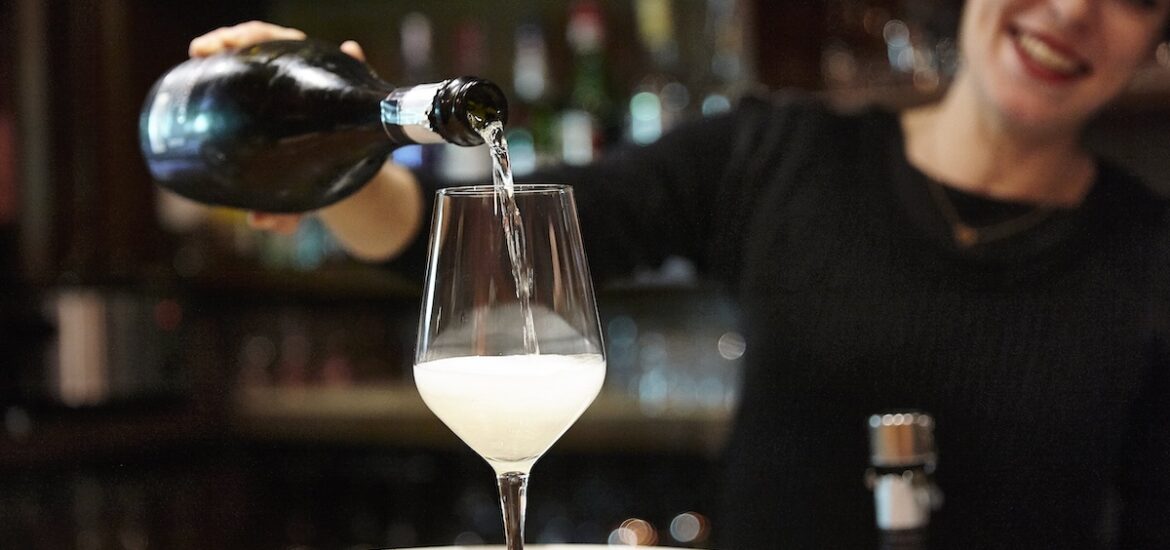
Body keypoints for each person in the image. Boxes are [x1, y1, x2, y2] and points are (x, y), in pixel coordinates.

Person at [189, 1, 1170, 547]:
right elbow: (488, 237)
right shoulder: (778, 154)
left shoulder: (1150, 255)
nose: (1075, 10)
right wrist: (340, 152)